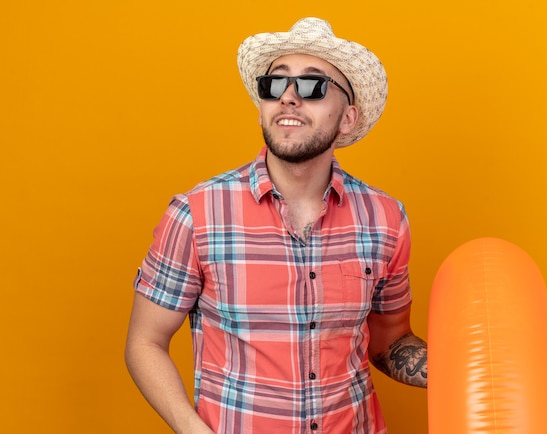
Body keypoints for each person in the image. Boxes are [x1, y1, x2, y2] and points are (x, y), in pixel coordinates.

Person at [125, 17, 427, 434]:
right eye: (274, 85)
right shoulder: (197, 214)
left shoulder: (386, 220)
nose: (287, 97)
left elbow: (389, 342)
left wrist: (468, 368)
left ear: (347, 118)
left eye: (312, 86)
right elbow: (145, 343)